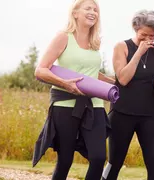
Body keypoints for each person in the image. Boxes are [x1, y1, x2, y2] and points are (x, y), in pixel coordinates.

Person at [33, 0, 113, 179]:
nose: (93, 12)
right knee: (65, 160)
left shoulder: (95, 42)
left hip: (95, 105)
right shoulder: (63, 37)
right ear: (75, 13)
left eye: (95, 9)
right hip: (66, 105)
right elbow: (41, 70)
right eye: (88, 8)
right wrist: (65, 83)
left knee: (99, 157)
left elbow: (91, 72)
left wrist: (114, 83)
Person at [101, 10, 154, 180]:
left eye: (152, 36)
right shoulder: (121, 47)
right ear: (135, 29)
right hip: (122, 113)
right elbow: (123, 79)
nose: (147, 40)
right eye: (143, 35)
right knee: (114, 162)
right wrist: (139, 52)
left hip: (149, 115)